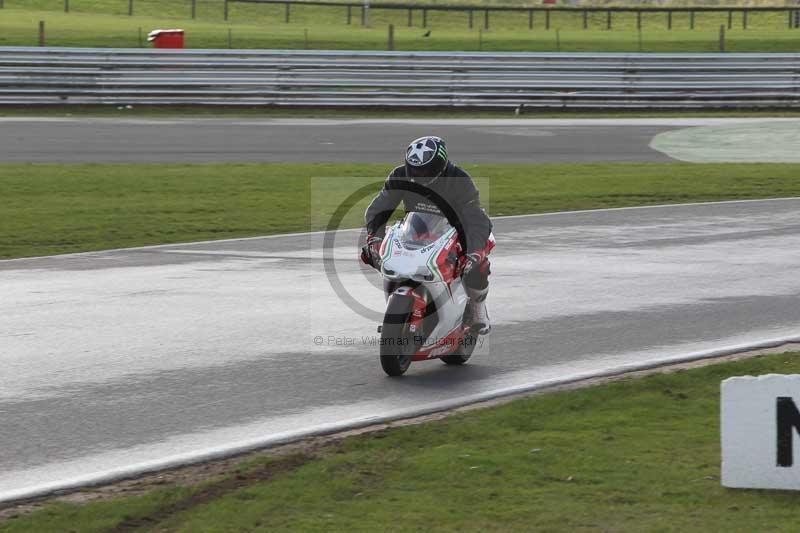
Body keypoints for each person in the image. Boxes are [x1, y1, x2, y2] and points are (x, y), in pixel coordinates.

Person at [361, 136, 494, 334]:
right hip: (416, 230)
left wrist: (474, 252)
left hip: (454, 232)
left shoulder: (459, 180)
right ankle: (397, 312)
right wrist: (375, 238)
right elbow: (379, 209)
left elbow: (475, 218)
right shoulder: (400, 175)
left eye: (424, 170)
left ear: (440, 166)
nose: (418, 174)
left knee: (475, 264)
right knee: (373, 254)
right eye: (414, 169)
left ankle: (477, 308)